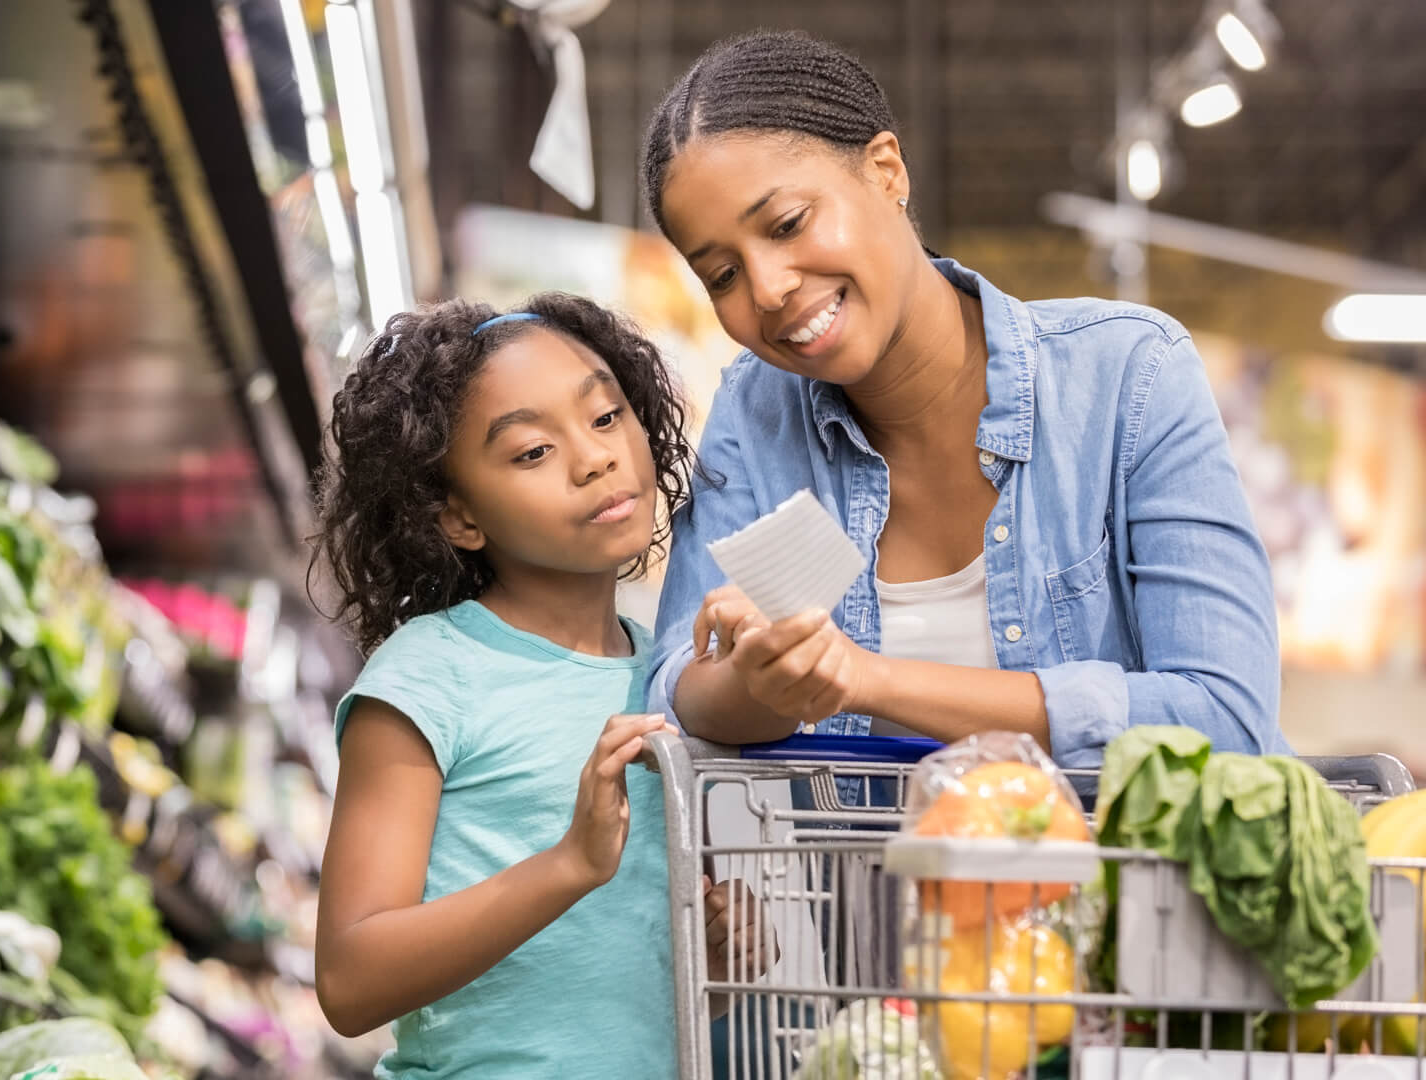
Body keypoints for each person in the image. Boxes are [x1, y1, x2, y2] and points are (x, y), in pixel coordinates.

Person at [637, 30, 1293, 766]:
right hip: (854, 886)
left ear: (886, 171)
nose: (768, 288)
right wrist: (762, 677)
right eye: (721, 274)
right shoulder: (757, 416)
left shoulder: (1127, 376)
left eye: (788, 224)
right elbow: (673, 696)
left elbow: (1223, 716)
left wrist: (868, 679)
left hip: (1127, 882)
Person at [310, 294, 763, 1077]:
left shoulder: (669, 679)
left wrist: (717, 959)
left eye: (605, 417)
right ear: (458, 518)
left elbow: (597, 992)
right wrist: (568, 865)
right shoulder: (430, 674)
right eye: (531, 453)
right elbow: (350, 981)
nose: (594, 459)